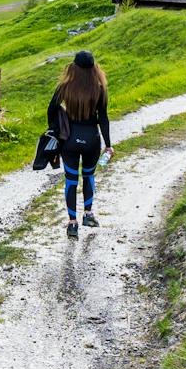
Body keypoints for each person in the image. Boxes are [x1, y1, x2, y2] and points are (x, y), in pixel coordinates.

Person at [47, 50, 112, 237]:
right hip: (91, 140)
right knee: (89, 176)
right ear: (93, 68)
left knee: (71, 180)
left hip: (69, 141)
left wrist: (55, 129)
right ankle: (88, 214)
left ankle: (72, 223)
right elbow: (103, 118)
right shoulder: (99, 88)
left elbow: (51, 110)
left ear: (74, 67)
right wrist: (108, 145)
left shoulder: (64, 87)